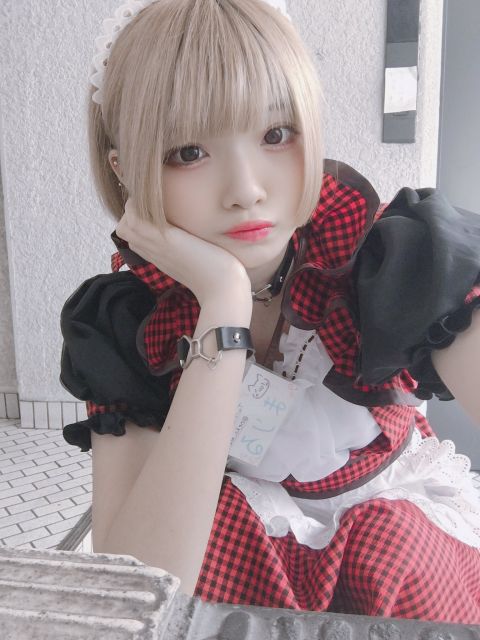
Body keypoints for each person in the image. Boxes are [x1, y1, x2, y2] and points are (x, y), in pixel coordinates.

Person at [60, 0, 480, 623]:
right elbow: (139, 582)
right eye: (187, 152)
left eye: (276, 135)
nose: (246, 189)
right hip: (246, 574)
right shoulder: (128, 320)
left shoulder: (390, 261)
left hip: (401, 574)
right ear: (125, 171)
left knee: (390, 541)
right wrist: (222, 305)